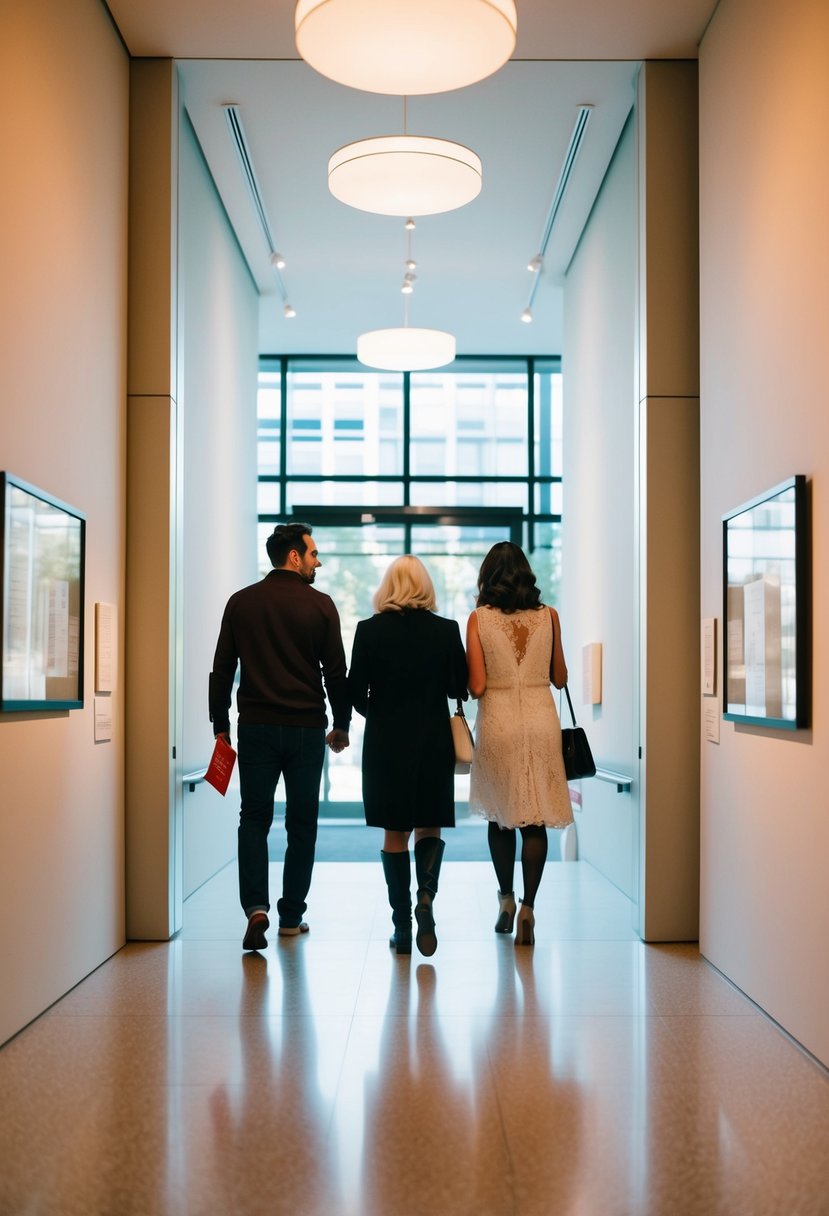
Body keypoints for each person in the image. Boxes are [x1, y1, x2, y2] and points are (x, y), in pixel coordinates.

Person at [209, 523, 350, 950]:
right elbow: (335, 672)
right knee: (302, 824)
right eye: (313, 554)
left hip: (256, 728)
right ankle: (291, 915)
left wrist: (221, 726)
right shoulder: (321, 606)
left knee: (253, 818)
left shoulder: (241, 603)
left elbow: (222, 669)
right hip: (306, 729)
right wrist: (341, 723)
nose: (317, 561)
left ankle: (256, 908)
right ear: (294, 557)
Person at [348, 556, 468, 957]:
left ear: (388, 587)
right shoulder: (446, 630)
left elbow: (354, 692)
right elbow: (459, 688)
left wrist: (379, 713)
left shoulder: (369, 630)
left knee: (394, 831)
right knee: (428, 826)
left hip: (386, 743)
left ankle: (402, 927)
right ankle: (426, 900)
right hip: (433, 739)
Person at [465, 542, 571, 945]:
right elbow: (560, 677)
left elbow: (476, 686)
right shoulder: (551, 617)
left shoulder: (479, 619)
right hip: (542, 721)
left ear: (488, 576)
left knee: (501, 815)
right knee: (535, 818)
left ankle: (506, 900)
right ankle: (530, 906)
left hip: (500, 722)